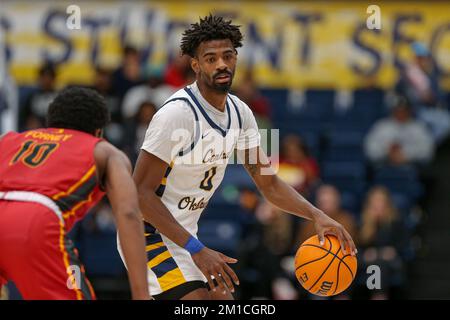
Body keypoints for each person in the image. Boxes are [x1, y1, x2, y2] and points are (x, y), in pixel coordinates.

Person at [129, 14, 356, 301]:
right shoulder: (175, 114)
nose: (221, 64)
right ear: (196, 65)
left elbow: (270, 185)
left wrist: (317, 215)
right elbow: (139, 193)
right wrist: (196, 248)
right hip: (148, 234)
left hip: (185, 236)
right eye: (211, 58)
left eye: (228, 56)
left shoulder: (242, 113)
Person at [0, 87, 150, 300]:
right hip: (33, 221)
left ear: (50, 124)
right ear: (99, 131)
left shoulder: (9, 139)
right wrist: (141, 294)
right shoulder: (105, 150)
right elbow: (128, 213)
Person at [358, 186, 408, 300]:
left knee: (379, 264)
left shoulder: (396, 221)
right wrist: (371, 225)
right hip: (368, 260)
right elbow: (360, 244)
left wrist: (390, 251)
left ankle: (379, 296)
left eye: (381, 202)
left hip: (390, 261)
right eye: (375, 202)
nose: (378, 205)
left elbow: (402, 244)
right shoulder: (363, 221)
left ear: (387, 204)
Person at [364, 95, 434, 166]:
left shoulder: (419, 127)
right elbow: (369, 149)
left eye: (404, 110)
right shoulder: (382, 126)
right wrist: (387, 151)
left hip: (412, 167)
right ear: (392, 110)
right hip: (384, 166)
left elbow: (427, 152)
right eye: (397, 110)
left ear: (409, 110)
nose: (400, 113)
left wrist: (406, 155)